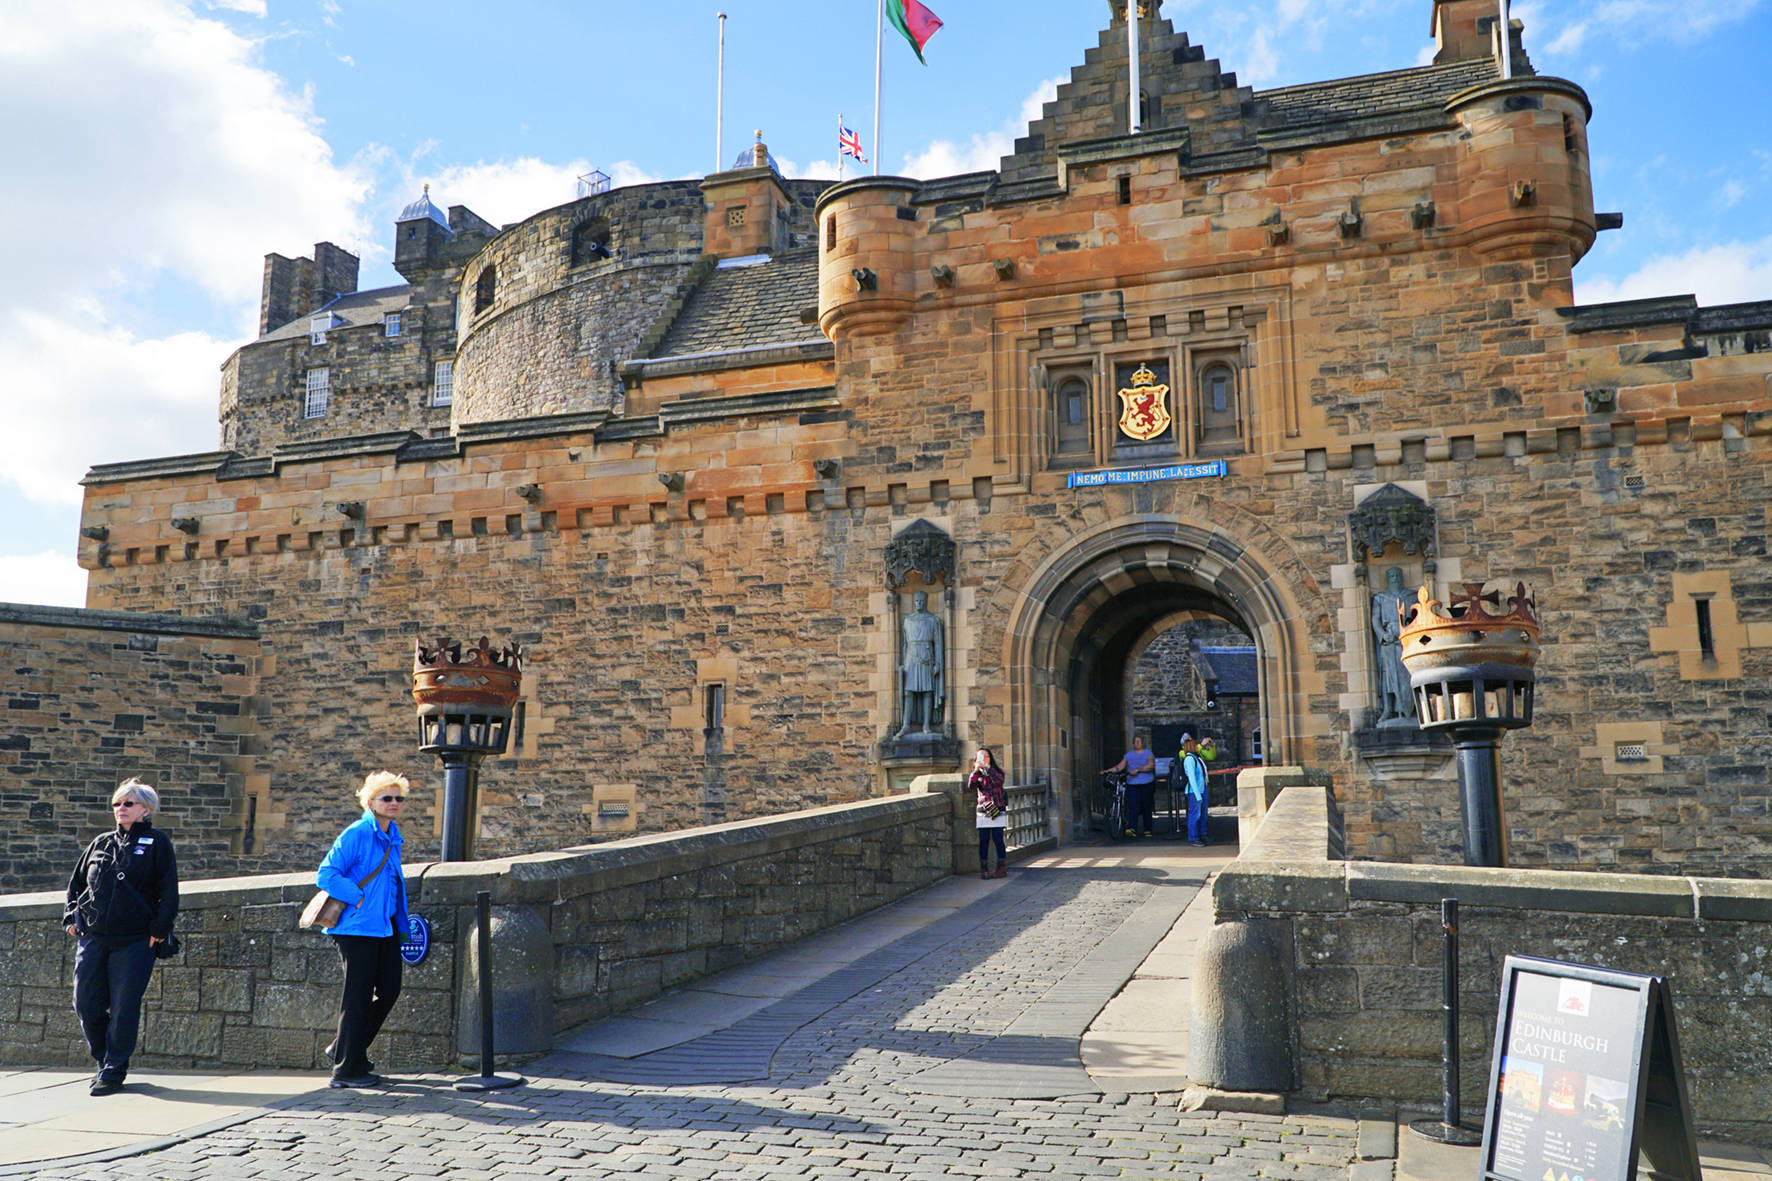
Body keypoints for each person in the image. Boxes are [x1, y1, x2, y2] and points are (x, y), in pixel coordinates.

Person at [63, 778, 179, 1095]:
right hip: (94, 936)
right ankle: (103, 1059)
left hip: (135, 939)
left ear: (145, 809)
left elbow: (169, 891)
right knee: (85, 1002)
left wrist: (159, 929)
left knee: (124, 1005)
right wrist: (70, 917)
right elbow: (76, 886)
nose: (121, 809)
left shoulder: (157, 843)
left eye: (128, 804)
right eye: (117, 804)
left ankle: (114, 1068)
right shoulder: (100, 843)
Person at [316, 771, 412, 1088]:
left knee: (390, 989)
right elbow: (327, 875)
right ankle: (345, 1070)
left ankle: (346, 1049)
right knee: (356, 997)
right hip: (355, 928)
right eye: (388, 798)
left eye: (399, 798)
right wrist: (359, 898)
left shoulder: (392, 836)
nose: (395, 803)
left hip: (383, 927)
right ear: (371, 802)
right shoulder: (357, 833)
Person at [896, 590, 945, 735]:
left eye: (921, 601)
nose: (919, 604)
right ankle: (906, 724)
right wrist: (903, 663)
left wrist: (938, 663)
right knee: (909, 692)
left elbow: (938, 643)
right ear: (914, 602)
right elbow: (904, 644)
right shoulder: (907, 620)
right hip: (911, 658)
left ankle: (926, 724)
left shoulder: (933, 620)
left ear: (926, 602)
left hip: (926, 656)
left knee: (927, 692)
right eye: (916, 601)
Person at [1104, 735, 1156, 838]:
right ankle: (1132, 828)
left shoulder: (1148, 753)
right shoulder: (1128, 755)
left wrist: (1138, 770)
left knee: (1146, 806)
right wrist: (1108, 771)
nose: (1137, 743)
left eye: (1139, 741)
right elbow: (1120, 766)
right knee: (1133, 806)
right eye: (1135, 742)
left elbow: (1151, 765)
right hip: (1132, 784)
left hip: (1147, 783)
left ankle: (1147, 829)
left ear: (1142, 743)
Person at [969, 747, 1009, 879]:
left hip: (997, 809)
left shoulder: (996, 772)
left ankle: (1001, 867)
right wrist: (976, 770)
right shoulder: (977, 774)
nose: (983, 759)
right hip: (983, 810)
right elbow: (971, 786)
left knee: (998, 838)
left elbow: (999, 781)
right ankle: (984, 869)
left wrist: (988, 768)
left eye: (986, 756)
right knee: (984, 840)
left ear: (990, 758)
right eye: (980, 757)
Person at [1180, 737, 1210, 846]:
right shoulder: (1189, 759)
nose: (1198, 746)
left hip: (1202, 789)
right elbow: (1191, 778)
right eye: (1195, 745)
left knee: (1202, 814)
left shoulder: (1196, 758)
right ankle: (1193, 837)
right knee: (1194, 814)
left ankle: (1202, 834)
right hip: (1194, 791)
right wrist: (1198, 794)